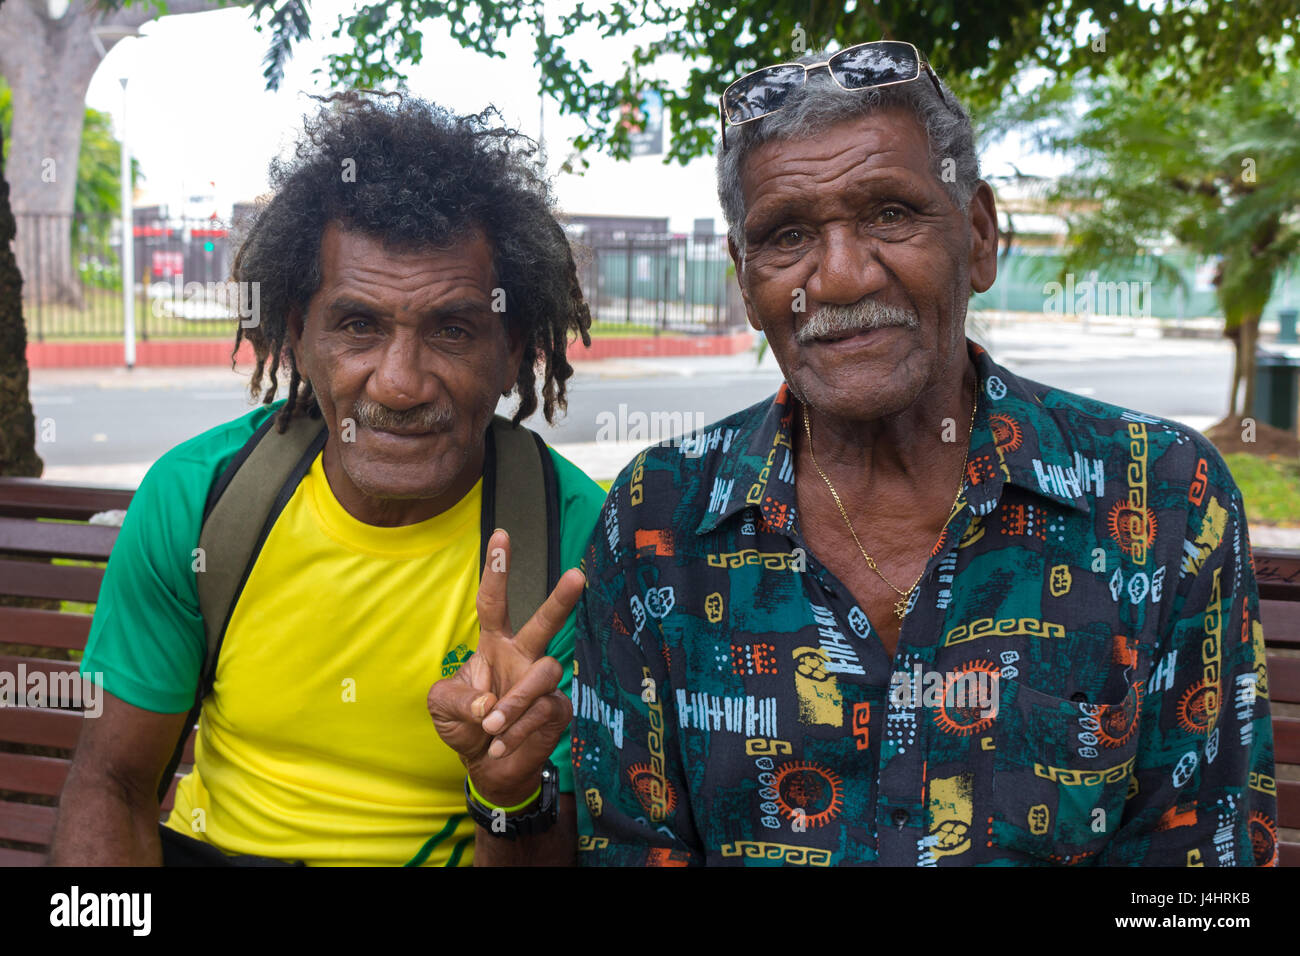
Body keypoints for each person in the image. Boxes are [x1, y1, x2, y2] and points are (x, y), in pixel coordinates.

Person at [572, 42, 1277, 866]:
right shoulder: (658, 517)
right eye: (788, 235)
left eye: (890, 215)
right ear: (745, 277)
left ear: (978, 238)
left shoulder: (1161, 498)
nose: (838, 278)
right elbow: (628, 850)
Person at [50, 93, 605, 866]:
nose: (400, 383)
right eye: (358, 326)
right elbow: (111, 784)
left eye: (451, 329)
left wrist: (508, 792)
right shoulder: (202, 500)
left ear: (513, 348)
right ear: (295, 335)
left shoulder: (579, 544)